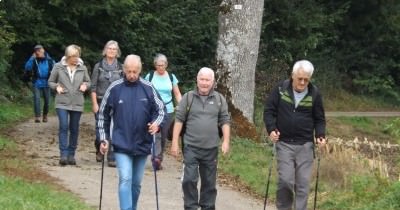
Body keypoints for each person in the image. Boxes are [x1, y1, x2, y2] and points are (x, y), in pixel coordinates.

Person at [98, 54, 165, 210]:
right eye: (129, 71)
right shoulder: (115, 88)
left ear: (140, 70)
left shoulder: (148, 88)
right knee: (125, 179)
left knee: (136, 184)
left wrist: (156, 124)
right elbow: (102, 115)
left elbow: (161, 110)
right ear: (124, 69)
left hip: (143, 142)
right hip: (121, 142)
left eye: (135, 71)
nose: (132, 75)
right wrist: (104, 138)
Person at [263, 60, 326, 210]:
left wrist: (320, 135)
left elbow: (320, 119)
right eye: (300, 79)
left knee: (303, 184)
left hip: (305, 145)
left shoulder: (314, 94)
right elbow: (269, 111)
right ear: (293, 76)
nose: (303, 82)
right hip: (284, 143)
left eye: (306, 79)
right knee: (285, 181)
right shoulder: (280, 89)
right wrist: (271, 129)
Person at [170, 67, 231, 210]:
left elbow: (225, 121)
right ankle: (190, 207)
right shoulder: (188, 97)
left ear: (213, 82)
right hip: (191, 147)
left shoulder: (219, 99)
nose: (204, 83)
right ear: (197, 80)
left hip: (211, 149)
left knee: (209, 183)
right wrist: (174, 143)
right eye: (202, 79)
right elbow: (179, 120)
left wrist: (226, 141)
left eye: (207, 80)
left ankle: (207, 207)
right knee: (189, 180)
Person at [48, 44, 91, 166]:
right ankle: (63, 154)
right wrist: (57, 87)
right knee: (63, 126)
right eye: (73, 56)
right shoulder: (58, 67)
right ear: (67, 56)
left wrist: (85, 86)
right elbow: (50, 81)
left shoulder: (82, 68)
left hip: (77, 102)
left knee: (74, 128)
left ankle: (71, 154)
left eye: (77, 56)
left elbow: (88, 81)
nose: (75, 58)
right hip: (62, 101)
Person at [144, 53, 182, 170]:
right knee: (157, 133)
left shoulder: (171, 77)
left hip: (168, 109)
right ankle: (156, 158)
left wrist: (181, 104)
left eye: (163, 65)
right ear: (155, 65)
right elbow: (144, 92)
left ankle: (159, 158)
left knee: (164, 135)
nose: (161, 67)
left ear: (166, 65)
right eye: (158, 65)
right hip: (154, 109)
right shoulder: (150, 76)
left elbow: (176, 93)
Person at [90, 40, 123, 167]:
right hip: (99, 100)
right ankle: (99, 147)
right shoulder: (98, 66)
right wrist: (94, 103)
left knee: (114, 128)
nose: (112, 51)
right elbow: (93, 87)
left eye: (114, 49)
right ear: (105, 50)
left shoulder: (120, 68)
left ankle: (111, 156)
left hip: (115, 102)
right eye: (109, 48)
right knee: (101, 128)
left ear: (117, 52)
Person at [24, 44, 55, 123]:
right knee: (36, 99)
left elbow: (56, 68)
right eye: (36, 51)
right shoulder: (34, 60)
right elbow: (27, 67)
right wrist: (31, 58)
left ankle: (45, 115)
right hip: (37, 82)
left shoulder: (49, 60)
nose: (38, 52)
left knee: (47, 101)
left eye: (39, 50)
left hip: (47, 82)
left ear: (43, 50)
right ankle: (37, 116)